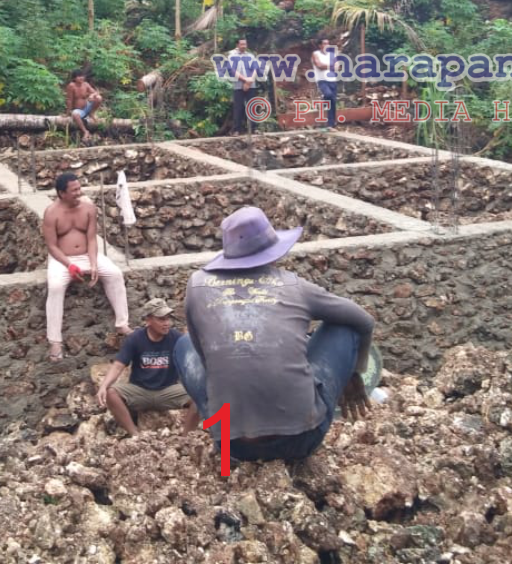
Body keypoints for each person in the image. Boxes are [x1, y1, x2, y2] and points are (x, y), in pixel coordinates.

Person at [173, 206, 377, 463]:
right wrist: (353, 372)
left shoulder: (197, 286)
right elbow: (364, 321)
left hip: (233, 444)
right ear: (272, 252)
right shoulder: (294, 285)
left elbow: (205, 359)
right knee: (344, 325)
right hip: (301, 440)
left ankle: (225, 426)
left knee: (183, 345)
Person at [43, 171, 130, 361]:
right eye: (74, 190)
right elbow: (51, 246)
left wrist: (93, 263)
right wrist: (70, 265)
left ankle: (122, 323)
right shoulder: (51, 213)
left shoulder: (89, 207)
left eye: (79, 188)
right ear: (61, 193)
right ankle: (55, 341)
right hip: (61, 259)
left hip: (88, 255)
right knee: (56, 287)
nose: (78, 192)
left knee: (114, 274)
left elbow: (91, 238)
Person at [95, 297, 191, 435]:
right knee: (111, 393)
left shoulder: (176, 338)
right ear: (148, 320)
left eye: (168, 319)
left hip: (168, 390)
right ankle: (135, 435)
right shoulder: (135, 338)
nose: (167, 323)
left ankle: (187, 436)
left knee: (202, 395)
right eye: (161, 319)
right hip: (140, 391)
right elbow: (118, 366)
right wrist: (103, 386)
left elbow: (192, 361)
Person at [64, 69, 102, 142]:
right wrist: (68, 112)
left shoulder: (86, 84)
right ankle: (85, 131)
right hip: (79, 110)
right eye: (79, 76)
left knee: (99, 98)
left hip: (87, 107)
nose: (81, 78)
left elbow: (96, 92)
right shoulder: (71, 86)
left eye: (82, 76)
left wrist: (92, 95)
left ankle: (92, 113)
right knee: (75, 114)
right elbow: (69, 100)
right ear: (74, 78)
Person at [229, 39, 258, 135]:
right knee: (238, 107)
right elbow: (232, 70)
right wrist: (245, 80)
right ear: (237, 45)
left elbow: (255, 69)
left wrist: (249, 82)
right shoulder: (232, 56)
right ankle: (237, 130)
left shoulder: (251, 56)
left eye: (245, 44)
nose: (243, 46)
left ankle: (254, 129)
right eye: (241, 44)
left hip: (251, 85)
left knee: (253, 106)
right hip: (238, 86)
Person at [314, 38, 341, 128]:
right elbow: (319, 66)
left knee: (332, 102)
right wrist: (332, 66)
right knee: (328, 95)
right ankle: (322, 104)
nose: (327, 45)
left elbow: (338, 67)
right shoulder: (316, 54)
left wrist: (332, 66)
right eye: (324, 43)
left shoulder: (332, 55)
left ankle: (331, 124)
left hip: (332, 80)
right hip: (322, 80)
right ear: (320, 45)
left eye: (328, 43)